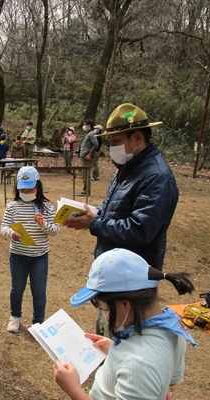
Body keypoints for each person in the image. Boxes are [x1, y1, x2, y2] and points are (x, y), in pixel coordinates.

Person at [54, 248, 196, 400]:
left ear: (125, 304)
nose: (105, 316)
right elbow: (170, 378)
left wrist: (74, 391)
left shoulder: (138, 360)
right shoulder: (171, 327)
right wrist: (116, 350)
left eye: (104, 308)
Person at [66, 103, 178, 336]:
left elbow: (140, 230)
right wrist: (92, 212)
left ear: (137, 137)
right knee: (105, 335)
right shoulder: (126, 167)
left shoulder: (156, 177)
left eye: (116, 141)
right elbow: (115, 210)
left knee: (121, 342)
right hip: (113, 276)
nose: (112, 148)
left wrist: (94, 223)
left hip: (132, 285)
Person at [0, 167, 59, 332]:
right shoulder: (12, 206)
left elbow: (54, 230)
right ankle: (15, 317)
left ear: (38, 187)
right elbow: (3, 226)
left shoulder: (47, 207)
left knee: (39, 291)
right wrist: (10, 232)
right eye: (23, 189)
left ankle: (38, 322)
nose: (26, 192)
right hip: (17, 255)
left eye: (30, 188)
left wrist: (43, 224)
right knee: (17, 288)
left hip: (40, 256)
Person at [78, 119, 99, 195]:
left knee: (86, 174)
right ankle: (85, 190)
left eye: (85, 124)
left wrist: (90, 154)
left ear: (89, 125)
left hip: (87, 156)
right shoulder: (88, 134)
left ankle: (87, 191)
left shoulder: (91, 134)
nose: (84, 126)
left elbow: (96, 145)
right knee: (84, 174)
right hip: (84, 155)